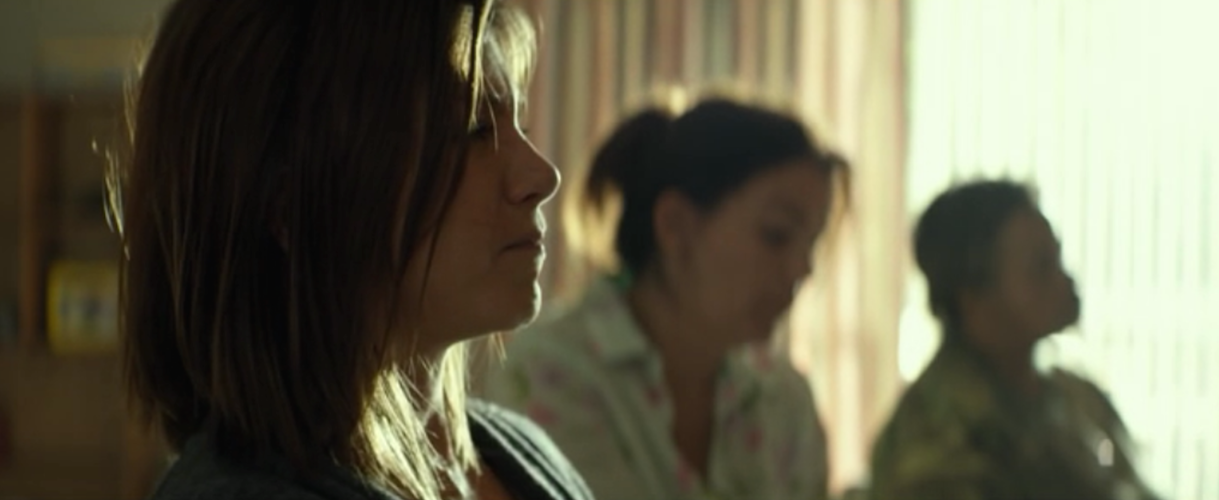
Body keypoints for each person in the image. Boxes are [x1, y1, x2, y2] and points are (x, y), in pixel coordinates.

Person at [111, 1, 591, 499]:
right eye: (473, 130)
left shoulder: (523, 454)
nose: (542, 176)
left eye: (520, 127)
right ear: (290, 201)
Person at [482, 99, 848, 500]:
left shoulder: (784, 398)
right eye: (776, 235)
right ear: (676, 225)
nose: (802, 270)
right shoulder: (552, 374)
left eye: (811, 245)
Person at [869, 180, 1161, 500]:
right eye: (1040, 268)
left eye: (1057, 260)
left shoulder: (1073, 398)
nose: (1065, 281)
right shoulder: (939, 431)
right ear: (973, 297)